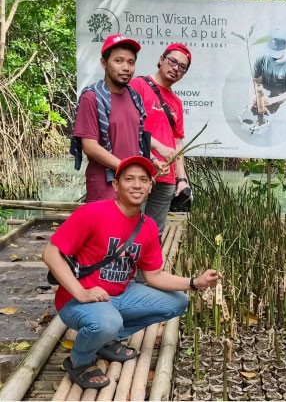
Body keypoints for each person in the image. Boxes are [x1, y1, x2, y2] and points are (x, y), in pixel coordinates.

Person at [43, 156, 221, 389]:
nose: (137, 185)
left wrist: (194, 282)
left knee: (177, 302)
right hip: (78, 300)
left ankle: (107, 339)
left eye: (143, 180)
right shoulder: (93, 213)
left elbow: (154, 276)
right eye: (129, 179)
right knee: (108, 320)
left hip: (119, 295)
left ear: (150, 187)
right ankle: (79, 361)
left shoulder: (146, 226)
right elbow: (50, 253)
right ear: (116, 185)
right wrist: (80, 292)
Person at [72, 34, 161, 202]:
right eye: (118, 61)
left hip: (134, 190)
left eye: (130, 62)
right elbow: (90, 146)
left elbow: (137, 141)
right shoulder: (91, 97)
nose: (126, 67)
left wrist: (151, 162)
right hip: (105, 189)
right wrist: (127, 169)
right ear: (104, 63)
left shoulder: (135, 97)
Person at [128, 43, 192, 233]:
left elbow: (178, 141)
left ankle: (148, 264)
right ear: (161, 60)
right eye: (173, 61)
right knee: (129, 228)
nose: (176, 68)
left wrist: (182, 179)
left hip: (166, 177)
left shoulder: (177, 103)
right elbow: (130, 126)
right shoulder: (138, 86)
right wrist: (157, 149)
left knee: (154, 232)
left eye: (182, 67)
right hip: (139, 171)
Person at [250, 28, 286, 116]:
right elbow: (256, 79)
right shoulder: (261, 58)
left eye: (277, 52)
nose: (273, 56)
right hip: (264, 94)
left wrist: (273, 100)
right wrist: (255, 95)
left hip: (281, 98)